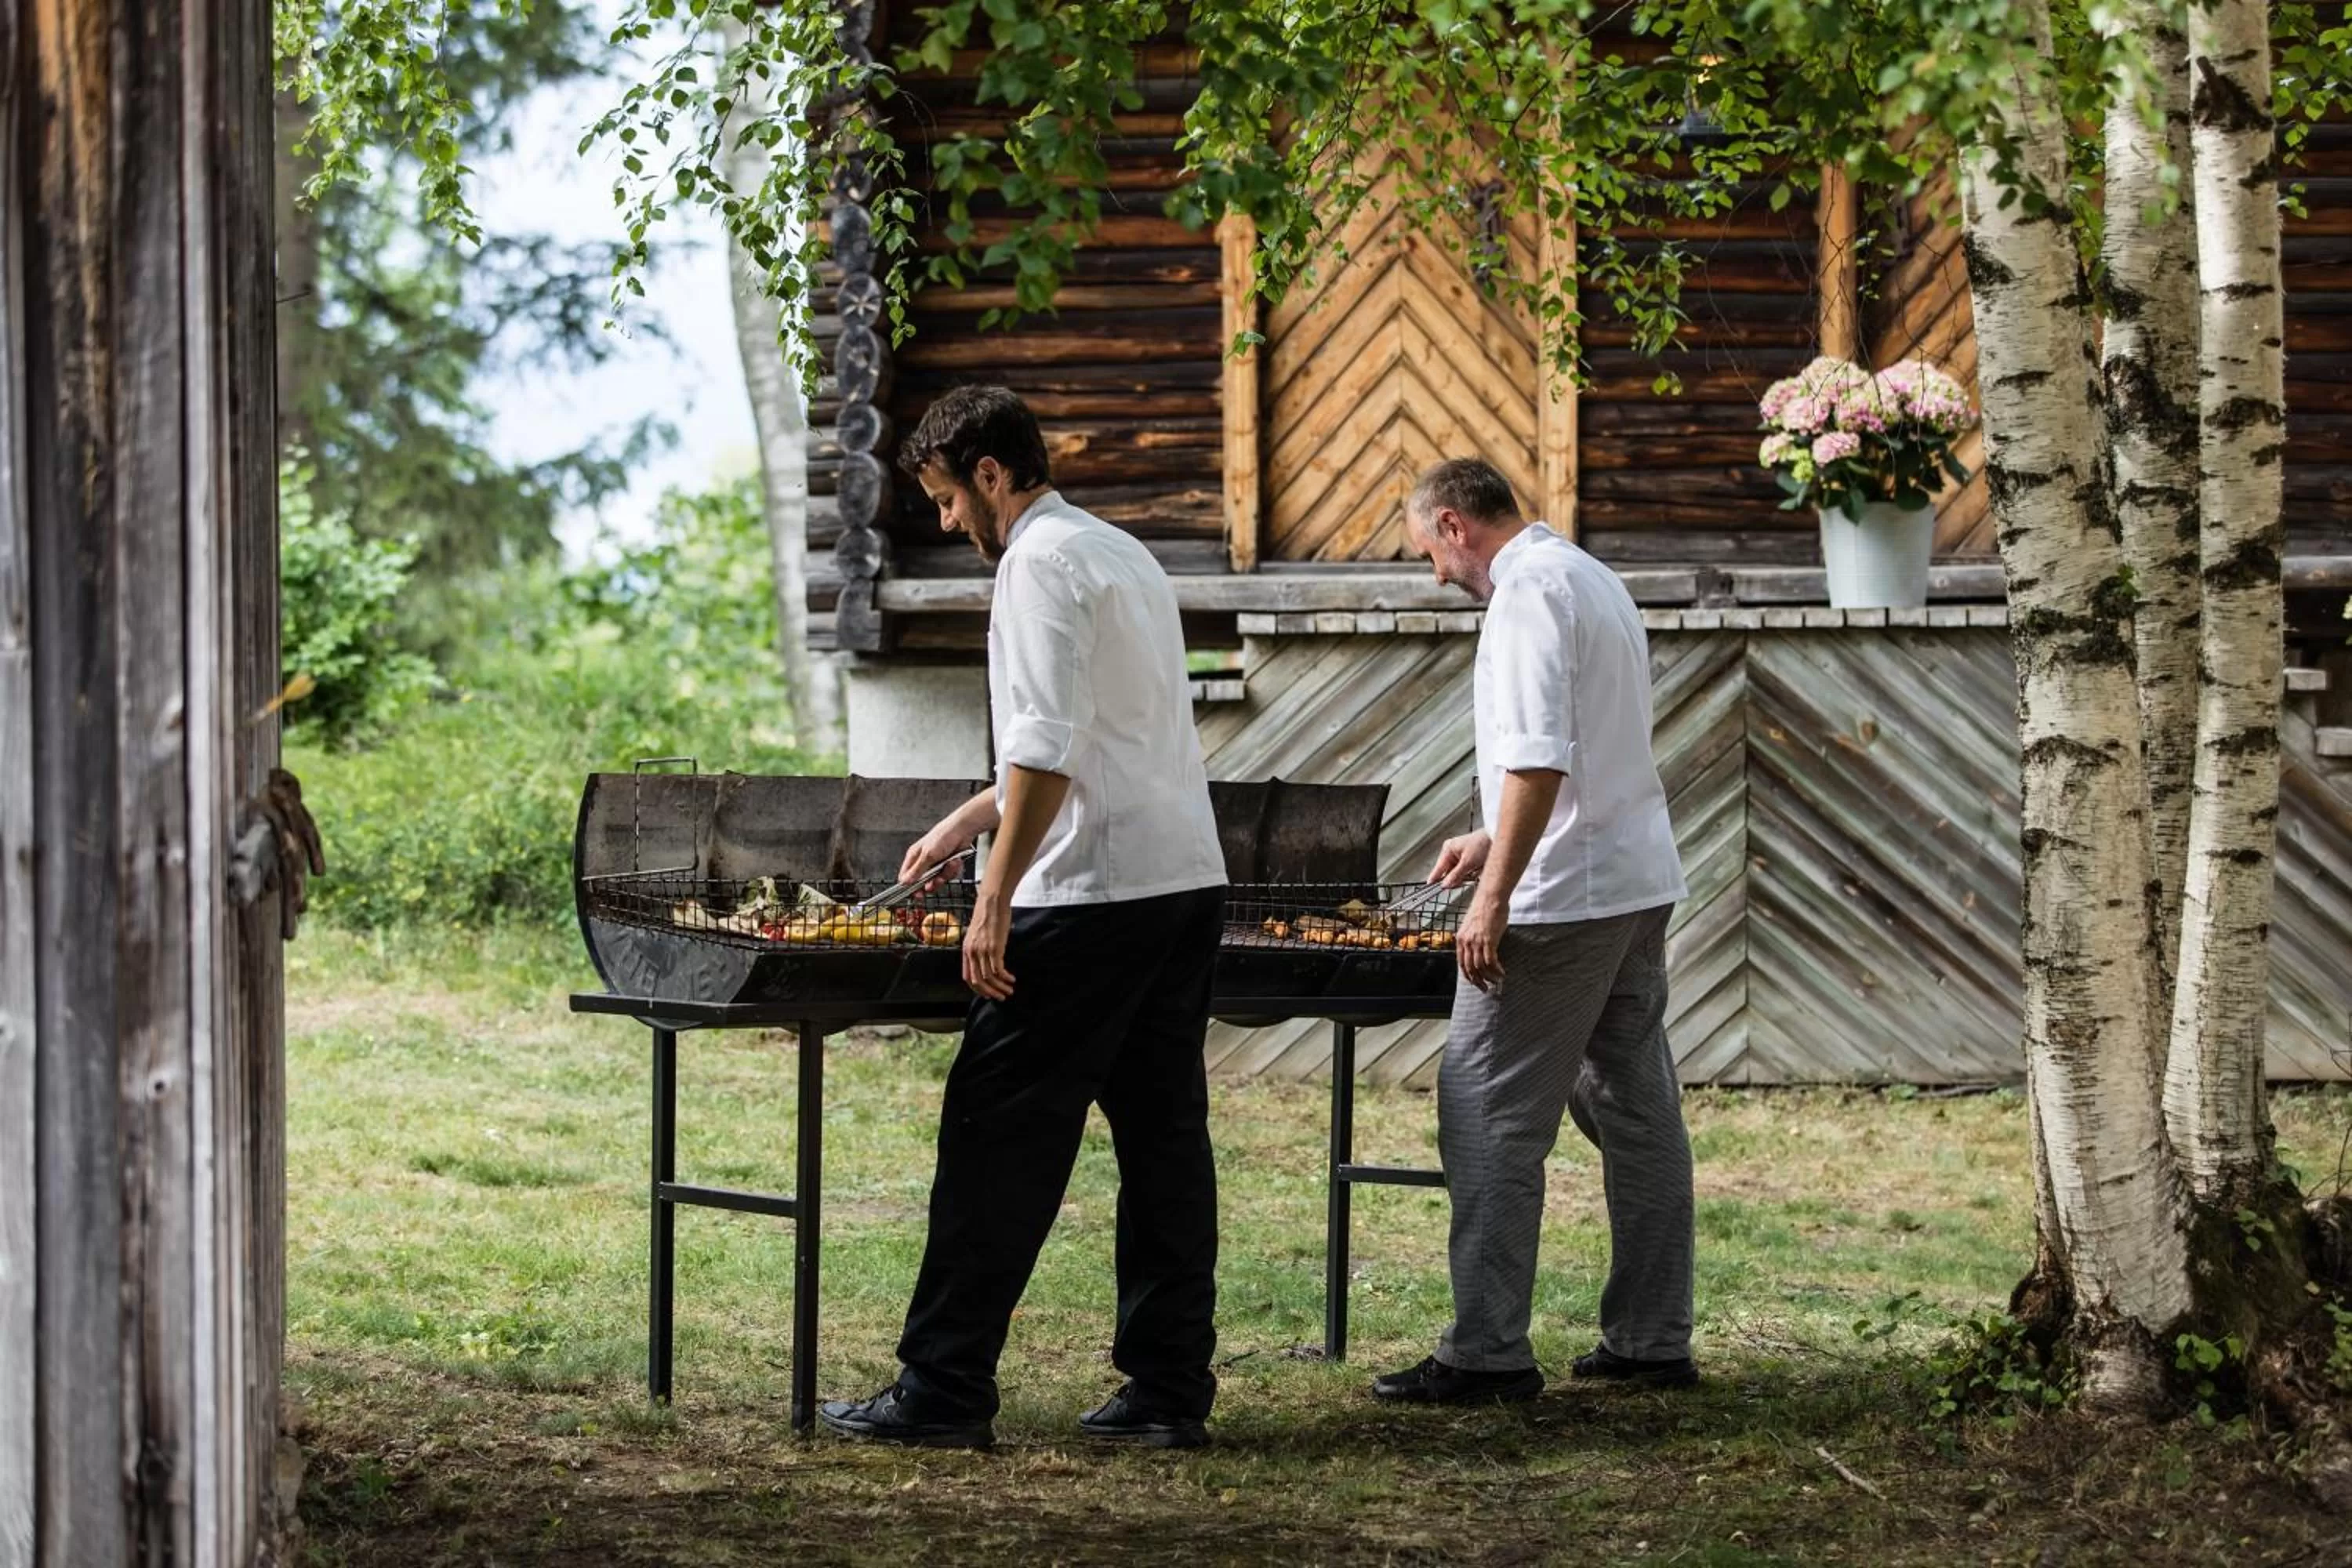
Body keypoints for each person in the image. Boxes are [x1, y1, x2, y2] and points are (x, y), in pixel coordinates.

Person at [818, 385, 1229, 1450]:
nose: (949, 524)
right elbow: (1090, 733)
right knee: (1165, 1142)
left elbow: (1046, 743)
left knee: (995, 1136)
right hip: (1180, 882)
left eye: (951, 500)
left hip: (1090, 896)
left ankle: (943, 1391)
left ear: (992, 476)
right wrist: (971, 815)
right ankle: (1168, 1392)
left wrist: (992, 898)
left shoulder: (1036, 566)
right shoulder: (1120, 553)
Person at [1372, 456, 1697, 1406]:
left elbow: (1537, 761)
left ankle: (1487, 1352)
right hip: (1633, 882)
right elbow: (1585, 750)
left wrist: (1495, 891)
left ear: (1454, 525)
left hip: (1563, 903)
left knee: (1484, 1108)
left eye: (1427, 549)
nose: (1433, 572)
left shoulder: (1521, 599)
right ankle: (1650, 1337)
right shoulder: (1587, 576)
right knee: (1638, 1116)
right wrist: (1490, 839)